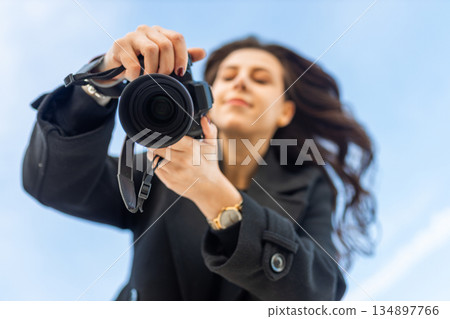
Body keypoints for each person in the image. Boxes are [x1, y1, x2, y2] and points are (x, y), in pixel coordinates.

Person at [22, 25, 376, 300]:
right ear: (208, 96)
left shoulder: (310, 183)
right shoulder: (162, 165)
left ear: (284, 111)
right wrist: (101, 81)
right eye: (228, 75)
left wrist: (217, 197)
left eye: (261, 79)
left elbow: (320, 293)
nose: (240, 83)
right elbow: (53, 184)